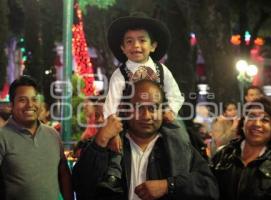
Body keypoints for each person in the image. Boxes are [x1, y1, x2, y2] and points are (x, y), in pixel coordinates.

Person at [72, 80, 219, 200]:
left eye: (153, 108)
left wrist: (168, 186)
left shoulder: (179, 147)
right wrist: (100, 142)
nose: (146, 116)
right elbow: (80, 186)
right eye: (139, 107)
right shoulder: (111, 146)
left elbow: (209, 187)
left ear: (163, 111)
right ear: (126, 109)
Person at [100, 12, 186, 190]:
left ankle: (181, 170)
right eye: (129, 41)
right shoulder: (120, 74)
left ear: (153, 46)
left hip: (160, 117)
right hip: (129, 119)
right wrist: (113, 130)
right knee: (118, 146)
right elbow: (111, 103)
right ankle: (114, 173)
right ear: (123, 48)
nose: (136, 45)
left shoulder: (162, 70)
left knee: (180, 136)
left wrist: (171, 110)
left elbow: (175, 94)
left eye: (142, 40)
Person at [211, 97, 271, 200]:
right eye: (252, 117)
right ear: (243, 123)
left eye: (265, 120)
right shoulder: (222, 156)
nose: (257, 124)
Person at [0, 75, 73, 200]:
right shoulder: (2, 137)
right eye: (22, 100)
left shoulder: (53, 135)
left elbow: (64, 175)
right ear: (12, 105)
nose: (30, 105)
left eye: (34, 99)